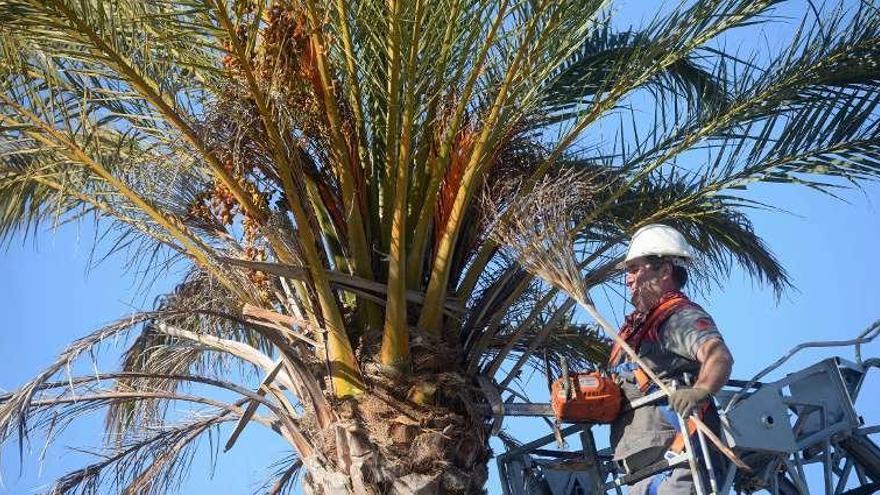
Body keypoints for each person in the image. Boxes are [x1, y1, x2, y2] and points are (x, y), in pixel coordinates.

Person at [609, 224, 734, 495]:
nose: (628, 279)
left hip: (679, 464)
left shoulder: (677, 317)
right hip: (639, 476)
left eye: (634, 269)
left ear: (664, 270)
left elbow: (718, 355)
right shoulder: (630, 335)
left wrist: (700, 391)